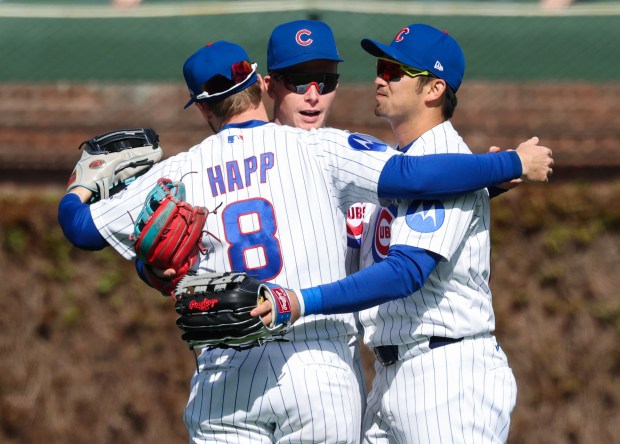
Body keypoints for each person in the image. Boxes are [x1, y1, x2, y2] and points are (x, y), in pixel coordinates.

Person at [58, 38, 552, 443]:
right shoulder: (324, 150)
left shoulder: (178, 171)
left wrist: (81, 186)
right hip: (323, 367)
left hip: (228, 370)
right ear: (260, 85)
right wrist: (502, 168)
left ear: (204, 109)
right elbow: (416, 180)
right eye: (299, 81)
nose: (314, 93)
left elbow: (81, 230)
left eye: (326, 80)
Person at [253, 23, 535, 443]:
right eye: (380, 67)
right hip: (392, 375)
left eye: (394, 71)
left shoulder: (442, 161)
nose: (379, 78)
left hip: (446, 377)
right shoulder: (402, 168)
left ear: (434, 89)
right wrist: (485, 189)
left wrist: (301, 302)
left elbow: (406, 271)